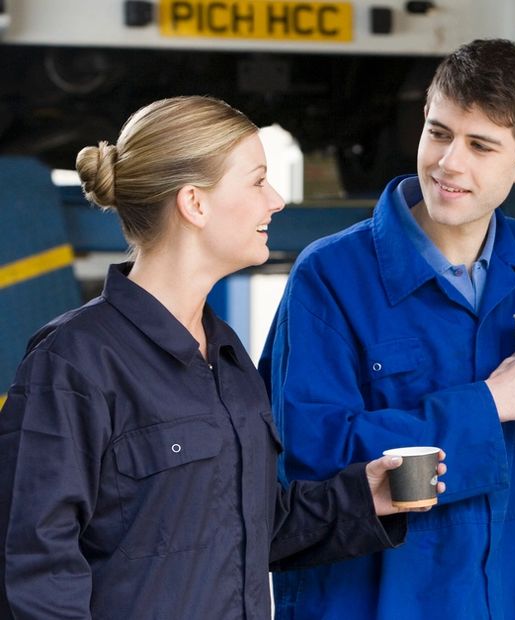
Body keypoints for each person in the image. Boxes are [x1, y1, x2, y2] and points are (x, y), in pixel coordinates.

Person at [0, 96, 446, 619]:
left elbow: (241, 530)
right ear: (195, 203)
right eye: (258, 181)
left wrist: (360, 498)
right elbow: (32, 571)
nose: (275, 200)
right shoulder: (74, 364)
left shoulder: (228, 357)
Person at [260, 38, 515, 619]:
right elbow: (309, 457)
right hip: (366, 602)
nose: (449, 163)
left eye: (481, 145)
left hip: (505, 598)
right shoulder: (331, 277)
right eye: (439, 133)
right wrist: (492, 403)